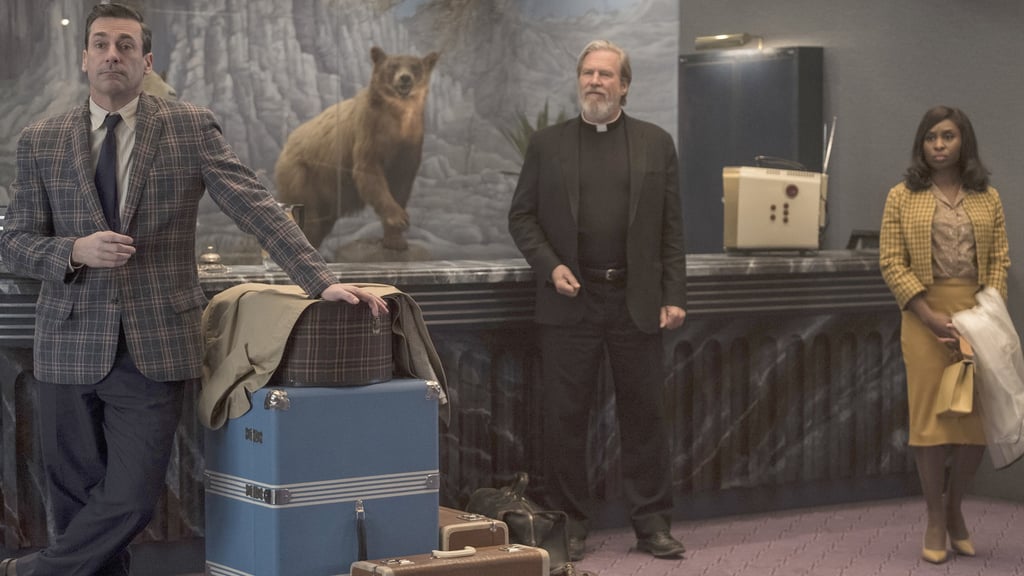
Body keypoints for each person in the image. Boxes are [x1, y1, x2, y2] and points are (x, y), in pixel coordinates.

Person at [0, 4, 386, 575]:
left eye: (126, 45)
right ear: (84, 58)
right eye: (101, 44)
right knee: (74, 499)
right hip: (67, 340)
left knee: (132, 497)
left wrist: (320, 280)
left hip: (155, 344)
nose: (113, 55)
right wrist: (73, 251)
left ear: (146, 59)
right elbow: (14, 242)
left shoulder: (188, 126)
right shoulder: (41, 140)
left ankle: (32, 572)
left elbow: (256, 206)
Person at [507, 39, 687, 561]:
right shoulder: (547, 144)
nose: (595, 82)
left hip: (636, 299)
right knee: (565, 418)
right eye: (588, 73)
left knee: (645, 416)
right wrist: (551, 266)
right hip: (571, 300)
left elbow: (672, 228)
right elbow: (522, 217)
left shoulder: (656, 143)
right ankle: (570, 526)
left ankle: (653, 525)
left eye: (606, 74)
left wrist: (674, 293)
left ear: (624, 85)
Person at [879, 105, 1010, 565]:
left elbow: (999, 261)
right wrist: (930, 316)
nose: (938, 145)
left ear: (963, 142)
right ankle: (935, 516)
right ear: (922, 144)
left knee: (972, 422)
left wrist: (986, 313)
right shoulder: (902, 196)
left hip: (976, 314)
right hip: (923, 317)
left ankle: (956, 510)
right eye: (931, 137)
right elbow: (891, 261)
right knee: (931, 422)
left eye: (948, 136)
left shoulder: (986, 196)